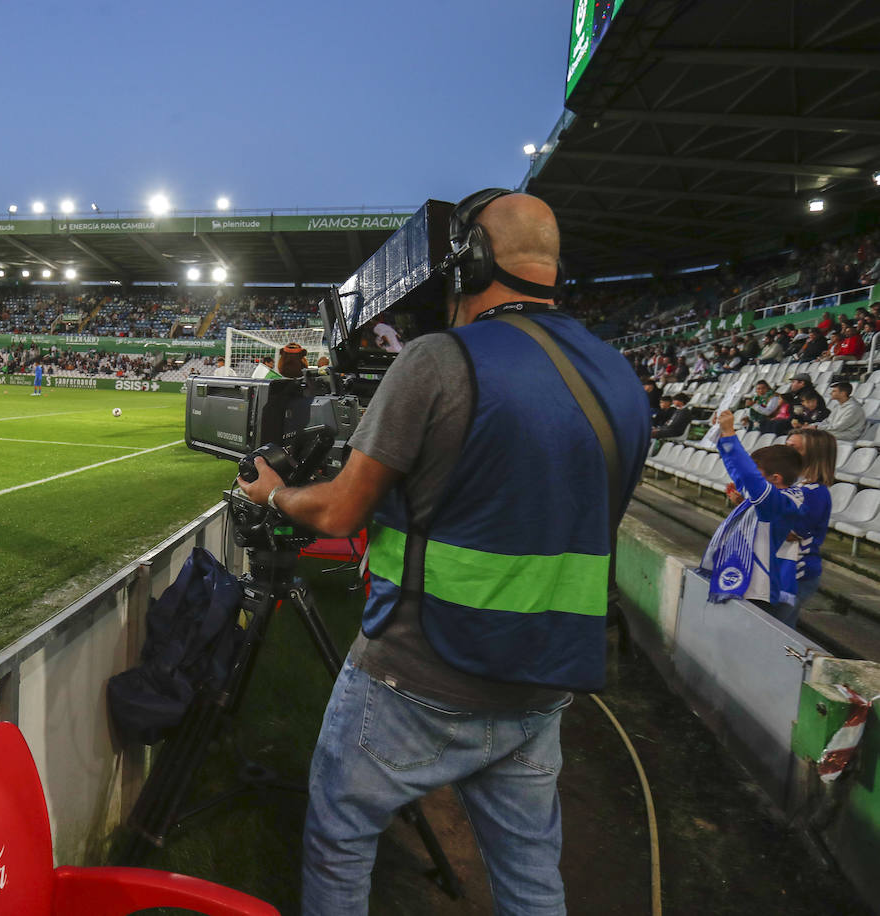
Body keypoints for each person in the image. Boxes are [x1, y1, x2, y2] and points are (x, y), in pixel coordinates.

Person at [236, 191, 649, 914]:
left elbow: (338, 509)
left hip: (418, 671)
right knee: (528, 877)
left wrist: (271, 494)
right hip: (544, 678)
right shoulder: (619, 375)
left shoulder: (437, 359)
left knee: (339, 838)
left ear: (472, 259)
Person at [704, 411, 805, 627]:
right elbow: (738, 472)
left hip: (757, 590)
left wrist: (731, 433)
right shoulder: (763, 497)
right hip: (743, 580)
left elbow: (749, 477)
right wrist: (724, 438)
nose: (752, 478)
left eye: (758, 472)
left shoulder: (782, 502)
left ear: (775, 478)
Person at [785, 428, 836, 616]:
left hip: (796, 572)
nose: (786, 451)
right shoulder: (795, 485)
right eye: (786, 445)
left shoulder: (814, 492)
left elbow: (791, 533)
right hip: (783, 568)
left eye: (794, 448)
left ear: (814, 455)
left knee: (779, 631)